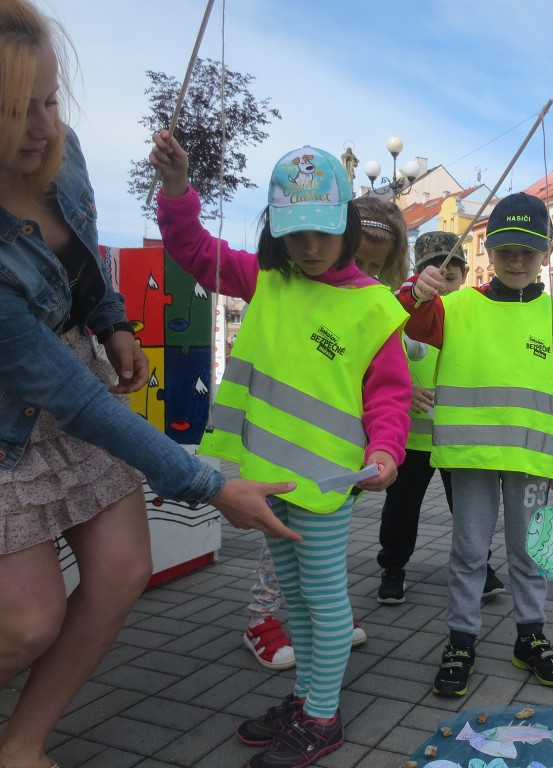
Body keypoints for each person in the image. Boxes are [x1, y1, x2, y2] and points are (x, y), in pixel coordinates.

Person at [0, 5, 295, 768]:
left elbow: (85, 267)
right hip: (12, 416)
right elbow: (76, 399)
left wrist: (115, 324)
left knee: (125, 570)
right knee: (25, 623)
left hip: (72, 383)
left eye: (50, 100)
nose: (41, 128)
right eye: (13, 110)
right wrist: (208, 484)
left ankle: (23, 744)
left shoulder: (60, 157)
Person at [150, 132, 411, 767]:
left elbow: (389, 397)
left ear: (346, 226)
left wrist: (387, 453)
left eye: (322, 231)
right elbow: (192, 249)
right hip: (268, 480)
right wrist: (179, 191)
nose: (310, 247)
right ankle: (305, 700)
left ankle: (322, 717)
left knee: (324, 602)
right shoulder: (268, 279)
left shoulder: (375, 307)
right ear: (276, 233)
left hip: (326, 486)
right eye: (296, 233)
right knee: (294, 600)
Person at [401, 192, 553, 697]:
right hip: (472, 457)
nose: (518, 261)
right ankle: (461, 638)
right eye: (506, 250)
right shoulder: (456, 306)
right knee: (468, 551)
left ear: (545, 252)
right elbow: (406, 320)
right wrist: (418, 290)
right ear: (490, 252)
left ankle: (530, 636)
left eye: (528, 251)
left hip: (530, 460)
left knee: (529, 555)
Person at [241, 198, 410, 666]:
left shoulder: (369, 301)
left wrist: (384, 445)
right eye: (361, 262)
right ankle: (263, 619)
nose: (365, 274)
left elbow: (383, 377)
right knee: (285, 561)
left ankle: (319, 661)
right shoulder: (286, 284)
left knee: (316, 573)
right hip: (280, 459)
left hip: (333, 462)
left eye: (378, 268)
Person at [376, 231, 505, 605]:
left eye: (451, 277)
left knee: (468, 510)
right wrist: (405, 390)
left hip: (458, 436)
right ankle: (393, 567)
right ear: (417, 276)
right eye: (433, 276)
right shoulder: (401, 308)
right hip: (412, 437)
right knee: (401, 509)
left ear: (464, 276)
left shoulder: (474, 311)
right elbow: (382, 358)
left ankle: (480, 566)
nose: (443, 285)